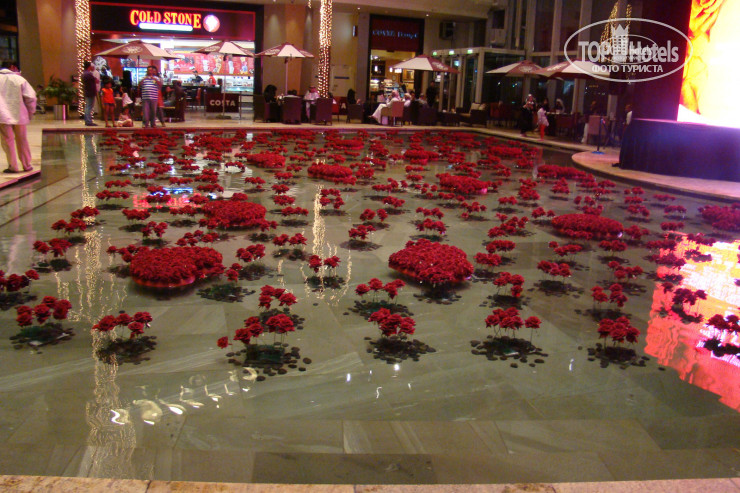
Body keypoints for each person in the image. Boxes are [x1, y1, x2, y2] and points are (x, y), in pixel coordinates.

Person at [0, 61, 36, 173]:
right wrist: (30, 113)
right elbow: (31, 97)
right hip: (20, 114)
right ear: (12, 67)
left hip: (2, 115)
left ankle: (13, 166)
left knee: (7, 141)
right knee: (22, 140)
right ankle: (27, 165)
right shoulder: (20, 79)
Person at [81, 61, 98, 126]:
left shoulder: (83, 74)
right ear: (89, 66)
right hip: (90, 92)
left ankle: (87, 120)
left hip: (87, 91)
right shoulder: (89, 74)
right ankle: (88, 121)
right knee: (89, 107)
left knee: (87, 106)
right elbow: (96, 80)